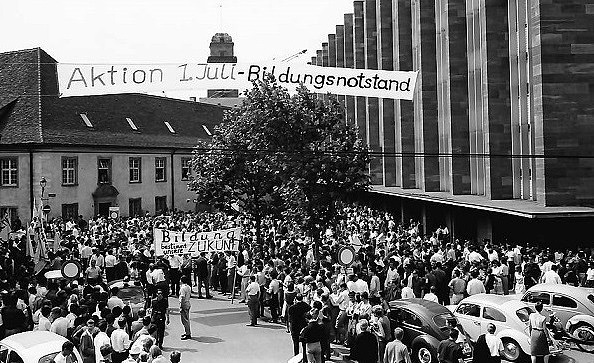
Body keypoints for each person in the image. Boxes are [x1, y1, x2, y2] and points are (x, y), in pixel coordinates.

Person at [288, 293, 311, 360]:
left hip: (294, 327)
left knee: (296, 343)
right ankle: (304, 357)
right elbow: (309, 309)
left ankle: (296, 357)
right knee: (304, 343)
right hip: (303, 326)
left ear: (296, 299)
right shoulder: (306, 306)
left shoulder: (292, 308)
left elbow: (290, 318)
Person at [179, 275, 192, 339]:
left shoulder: (182, 288)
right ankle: (187, 332)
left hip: (184, 303)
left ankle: (188, 334)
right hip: (188, 302)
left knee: (184, 320)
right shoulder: (188, 287)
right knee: (186, 319)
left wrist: (181, 306)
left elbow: (182, 298)